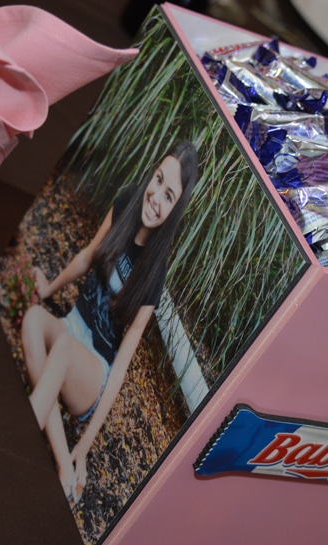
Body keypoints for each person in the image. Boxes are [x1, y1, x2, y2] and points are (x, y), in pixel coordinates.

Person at [21, 140, 199, 506]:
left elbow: (119, 368)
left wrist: (85, 446)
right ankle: (62, 463)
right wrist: (47, 287)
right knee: (35, 318)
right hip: (71, 329)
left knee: (64, 352)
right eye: (157, 181)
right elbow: (89, 256)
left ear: (175, 209)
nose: (155, 198)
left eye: (169, 196)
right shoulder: (127, 202)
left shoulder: (154, 273)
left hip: (93, 372)